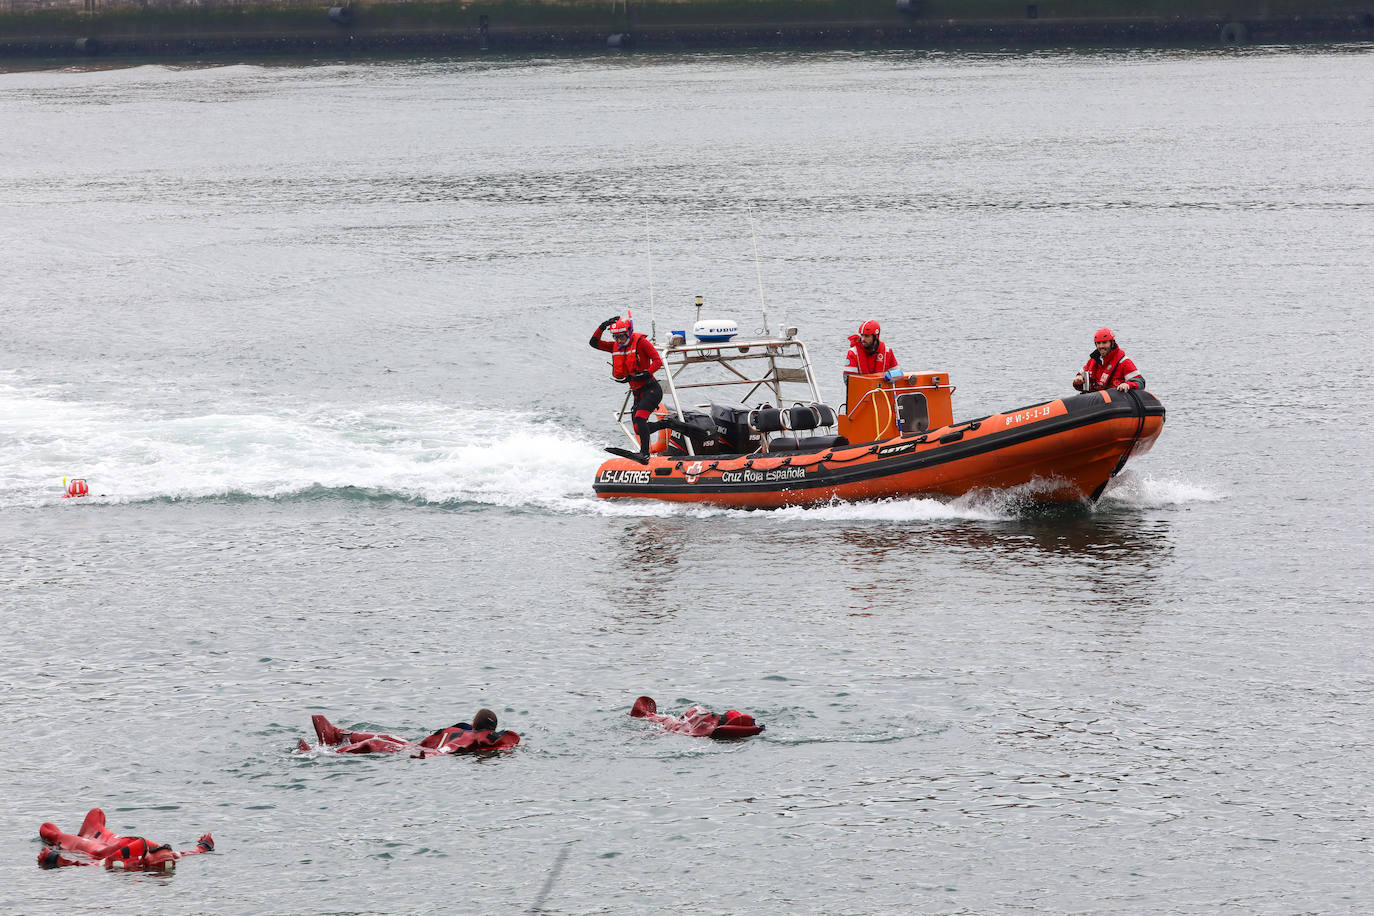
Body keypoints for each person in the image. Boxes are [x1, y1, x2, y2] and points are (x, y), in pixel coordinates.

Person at [590, 314, 667, 464]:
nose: (619, 340)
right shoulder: (614, 347)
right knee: (639, 428)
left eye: (622, 337)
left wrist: (648, 372)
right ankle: (668, 423)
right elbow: (594, 343)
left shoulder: (641, 343)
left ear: (629, 332)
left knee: (640, 418)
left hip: (651, 390)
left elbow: (658, 361)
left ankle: (644, 454)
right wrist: (602, 326)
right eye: (616, 337)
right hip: (637, 393)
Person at [38, 808, 213, 871]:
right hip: (112, 844)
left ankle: (89, 832)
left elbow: (95, 864)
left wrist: (56, 860)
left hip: (104, 847)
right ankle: (90, 831)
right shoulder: (163, 857)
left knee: (53, 833)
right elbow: (191, 852)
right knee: (96, 815)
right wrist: (205, 845)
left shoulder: (160, 857)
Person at [304, 709, 519, 757]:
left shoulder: (472, 735)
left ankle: (328, 749)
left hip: (423, 751)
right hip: (421, 750)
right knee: (385, 739)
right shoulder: (474, 736)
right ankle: (333, 737)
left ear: (473, 723)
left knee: (380, 740)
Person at [1072, 327, 1146, 393]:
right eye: (1098, 343)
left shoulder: (1124, 362)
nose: (1101, 346)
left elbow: (1140, 382)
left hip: (1115, 403)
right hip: (1095, 403)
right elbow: (1080, 375)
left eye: (1104, 342)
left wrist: (1127, 385)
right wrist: (1078, 379)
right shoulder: (1092, 361)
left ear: (1112, 343)